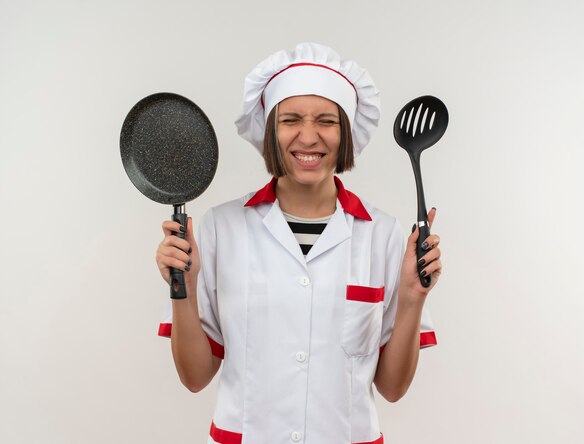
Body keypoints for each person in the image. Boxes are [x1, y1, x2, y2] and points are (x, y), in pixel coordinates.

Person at [155, 42, 442, 444]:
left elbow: (392, 389)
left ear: (345, 133)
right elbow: (195, 377)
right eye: (291, 119)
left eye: (326, 120)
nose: (308, 137)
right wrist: (181, 290)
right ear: (271, 131)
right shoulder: (221, 227)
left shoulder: (385, 234)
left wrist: (413, 297)